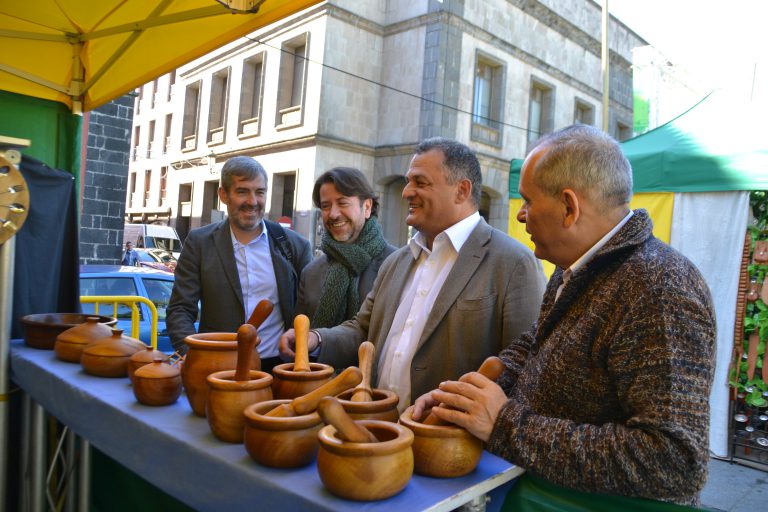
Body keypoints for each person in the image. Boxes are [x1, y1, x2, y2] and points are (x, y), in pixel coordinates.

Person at [412, 125, 716, 507]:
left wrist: (505, 424)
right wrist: (463, 399)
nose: (520, 215)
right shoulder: (577, 265)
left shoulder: (659, 288)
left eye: (527, 201)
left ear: (569, 207)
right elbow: (540, 344)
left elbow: (672, 462)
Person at [280, 137, 545, 409]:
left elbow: (524, 370)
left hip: (448, 442)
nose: (406, 192)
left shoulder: (514, 263)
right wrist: (316, 338)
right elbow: (363, 329)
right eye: (408, 181)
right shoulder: (397, 261)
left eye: (420, 182)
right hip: (379, 430)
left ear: (461, 190)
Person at [167, 156, 312, 372]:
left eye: (260, 192)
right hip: (219, 366)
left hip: (279, 368)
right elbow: (180, 309)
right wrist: (193, 355)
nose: (253, 201)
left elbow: (307, 310)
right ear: (223, 195)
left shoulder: (294, 245)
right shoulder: (199, 243)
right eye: (243, 191)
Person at [295, 167, 397, 327]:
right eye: (326, 206)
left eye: (343, 203)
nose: (334, 214)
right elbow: (299, 336)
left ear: (367, 207)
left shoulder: (396, 265)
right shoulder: (310, 274)